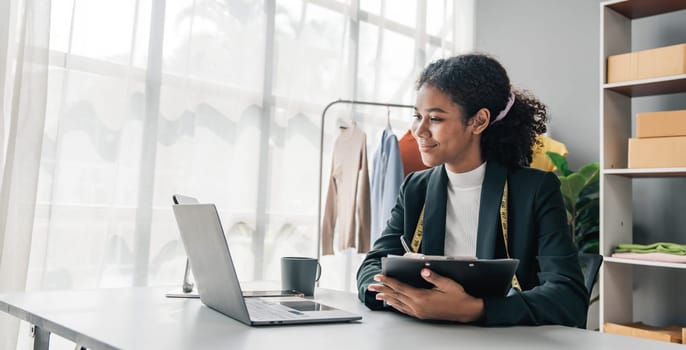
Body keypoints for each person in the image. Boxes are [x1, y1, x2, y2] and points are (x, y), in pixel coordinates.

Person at [356, 53, 589, 327]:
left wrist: (475, 309)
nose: (419, 131)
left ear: (478, 121)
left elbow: (568, 298)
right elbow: (371, 268)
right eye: (417, 116)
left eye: (436, 119)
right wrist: (411, 298)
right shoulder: (415, 188)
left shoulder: (536, 190)